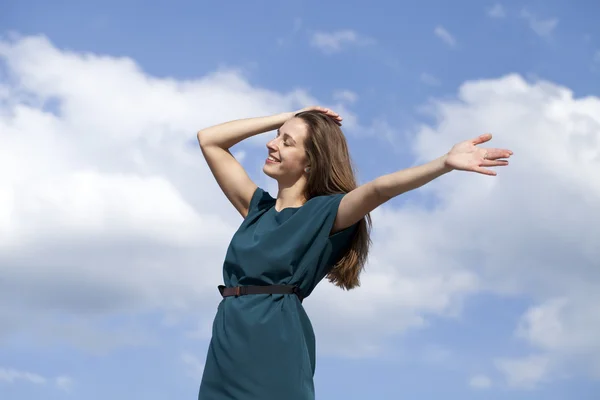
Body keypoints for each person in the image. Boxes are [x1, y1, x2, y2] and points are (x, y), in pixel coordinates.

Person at [196, 106, 512, 399]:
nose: (272, 144)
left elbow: (379, 189)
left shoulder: (325, 213)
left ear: (310, 161)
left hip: (274, 338)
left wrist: (442, 164)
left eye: (287, 141)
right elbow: (209, 140)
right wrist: (288, 116)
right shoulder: (257, 209)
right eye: (277, 136)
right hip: (227, 337)